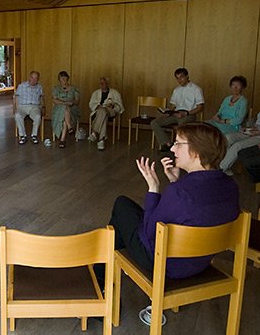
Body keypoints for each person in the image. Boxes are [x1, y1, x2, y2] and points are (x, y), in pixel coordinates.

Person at [95, 122, 238, 286]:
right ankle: (105, 274)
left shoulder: (180, 192)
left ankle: (100, 281)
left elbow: (149, 232)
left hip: (167, 264)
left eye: (178, 143)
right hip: (200, 262)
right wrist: (174, 180)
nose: (172, 149)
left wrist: (153, 188)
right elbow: (194, 214)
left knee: (121, 206)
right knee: (125, 221)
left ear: (197, 151)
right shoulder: (230, 185)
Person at [150, 68, 204, 152]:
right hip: (176, 113)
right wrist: (169, 112)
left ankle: (180, 147)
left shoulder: (196, 89)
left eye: (181, 77)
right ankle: (168, 144)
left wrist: (186, 113)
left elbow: (200, 107)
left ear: (187, 76)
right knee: (155, 123)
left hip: (189, 114)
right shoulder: (176, 90)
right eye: (177, 78)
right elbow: (173, 105)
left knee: (181, 125)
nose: (179, 80)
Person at [88, 77, 124, 151]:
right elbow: (91, 104)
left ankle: (95, 132)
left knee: (103, 111)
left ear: (107, 83)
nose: (101, 85)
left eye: (103, 83)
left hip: (111, 111)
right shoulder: (95, 93)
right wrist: (96, 106)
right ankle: (101, 140)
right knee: (103, 113)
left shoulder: (115, 93)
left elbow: (120, 107)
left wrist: (113, 106)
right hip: (99, 112)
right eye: (100, 83)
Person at [14, 71, 45, 145]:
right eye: (32, 78)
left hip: (34, 106)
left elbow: (41, 98)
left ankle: (34, 135)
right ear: (29, 78)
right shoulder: (21, 86)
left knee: (37, 116)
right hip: (22, 106)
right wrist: (14, 108)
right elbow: (15, 97)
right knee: (17, 115)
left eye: (36, 79)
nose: (33, 80)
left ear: (38, 80)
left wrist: (43, 107)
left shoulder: (39, 87)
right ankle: (23, 135)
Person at [51, 71, 80, 149]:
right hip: (58, 108)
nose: (63, 79)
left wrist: (71, 102)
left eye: (64, 77)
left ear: (67, 78)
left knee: (64, 112)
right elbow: (54, 100)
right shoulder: (56, 88)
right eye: (61, 77)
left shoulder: (74, 88)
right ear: (59, 79)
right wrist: (65, 102)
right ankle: (69, 127)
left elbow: (77, 100)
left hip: (72, 108)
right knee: (64, 108)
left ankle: (63, 139)